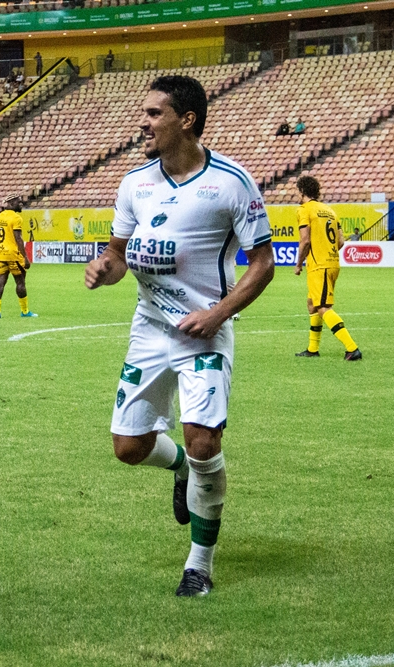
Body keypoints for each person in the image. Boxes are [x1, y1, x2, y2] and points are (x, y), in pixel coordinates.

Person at [84, 75, 275, 597]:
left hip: (203, 334)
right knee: (128, 448)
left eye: (153, 114)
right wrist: (105, 267)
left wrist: (218, 314)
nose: (142, 123)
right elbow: (118, 255)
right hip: (149, 328)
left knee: (204, 442)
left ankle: (199, 565)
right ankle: (179, 468)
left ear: (186, 120)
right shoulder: (135, 184)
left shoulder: (232, 183)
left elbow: (263, 264)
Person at [294, 175, 361, 361]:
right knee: (312, 304)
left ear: (302, 191)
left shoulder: (304, 210)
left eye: (297, 191)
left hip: (319, 266)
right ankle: (312, 349)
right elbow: (341, 241)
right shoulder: (330, 211)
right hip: (332, 263)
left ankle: (352, 348)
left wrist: (298, 264)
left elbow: (305, 240)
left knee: (323, 307)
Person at [0, 194, 37, 318]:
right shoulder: (16, 218)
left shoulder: (0, 216)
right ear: (11, 203)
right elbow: (18, 238)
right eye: (19, 202)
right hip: (13, 255)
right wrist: (25, 257)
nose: (21, 204)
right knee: (20, 283)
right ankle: (25, 311)